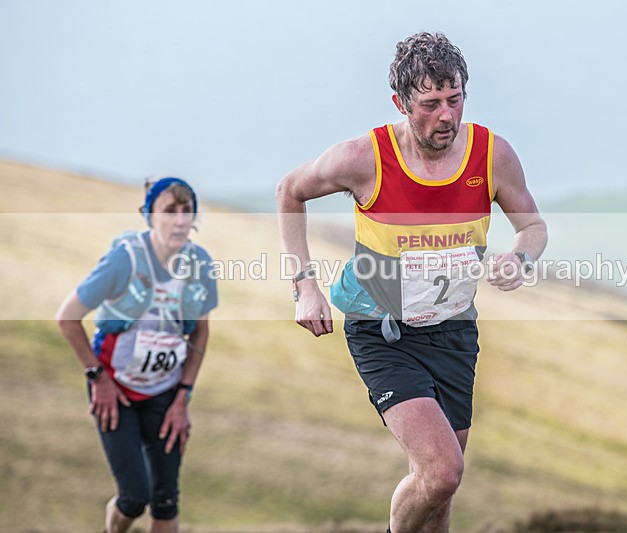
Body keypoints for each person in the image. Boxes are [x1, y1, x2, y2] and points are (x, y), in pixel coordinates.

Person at [276, 31, 547, 533]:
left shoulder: (492, 155)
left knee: (439, 495)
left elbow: (533, 228)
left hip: (453, 332)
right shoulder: (363, 158)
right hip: (382, 332)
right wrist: (305, 285)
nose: (446, 116)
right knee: (442, 472)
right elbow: (289, 191)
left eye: (455, 99)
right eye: (430, 104)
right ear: (400, 103)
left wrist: (520, 258)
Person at [56, 177, 218, 533]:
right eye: (170, 211)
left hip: (165, 392)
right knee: (133, 497)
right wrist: (98, 379)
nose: (180, 220)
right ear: (149, 215)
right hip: (115, 389)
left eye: (187, 211)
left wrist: (183, 397)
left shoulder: (200, 264)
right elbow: (67, 318)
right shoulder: (125, 260)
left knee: (166, 500)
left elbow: (200, 333)